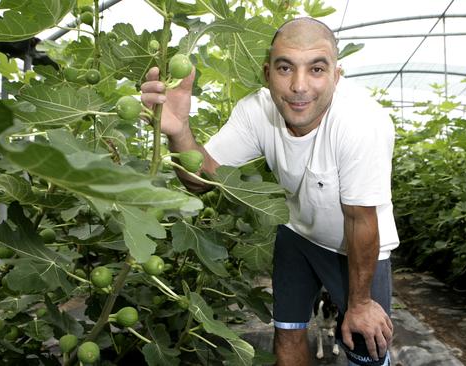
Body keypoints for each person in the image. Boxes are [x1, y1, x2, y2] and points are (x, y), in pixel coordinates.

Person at [141, 17, 399, 366]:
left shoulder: (362, 123)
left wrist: (362, 303)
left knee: (365, 346)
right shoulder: (256, 112)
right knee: (288, 333)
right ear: (267, 73)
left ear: (337, 76)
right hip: (297, 234)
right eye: (285, 68)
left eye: (317, 69)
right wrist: (178, 131)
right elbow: (202, 179)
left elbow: (360, 217)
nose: (299, 85)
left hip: (357, 243)